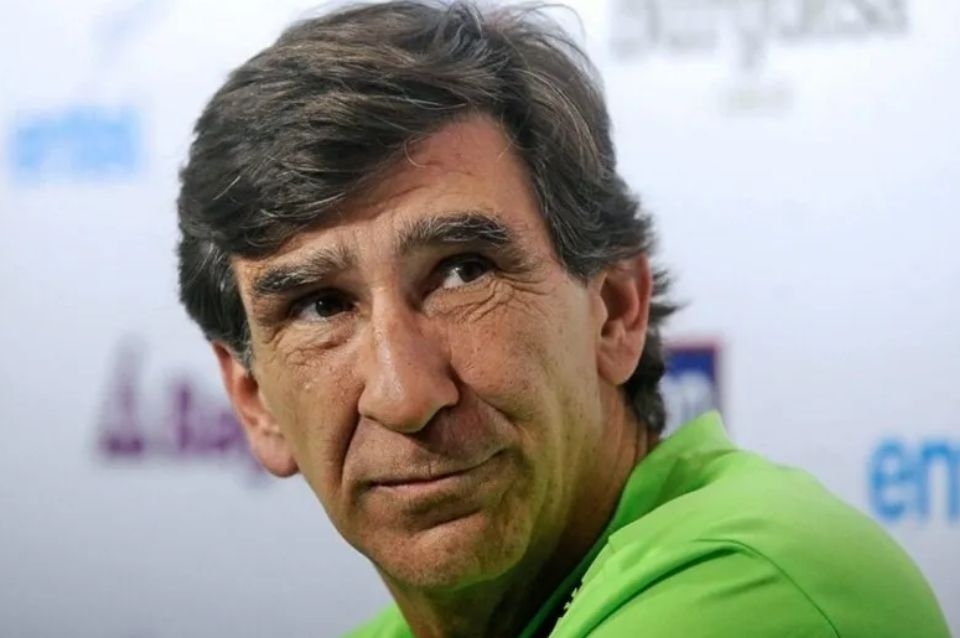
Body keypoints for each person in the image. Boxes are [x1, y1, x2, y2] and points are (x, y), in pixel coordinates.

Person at [175, 2, 950, 636]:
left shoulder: (758, 585)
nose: (405, 394)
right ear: (254, 399)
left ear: (614, 309)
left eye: (462, 272)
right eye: (320, 306)